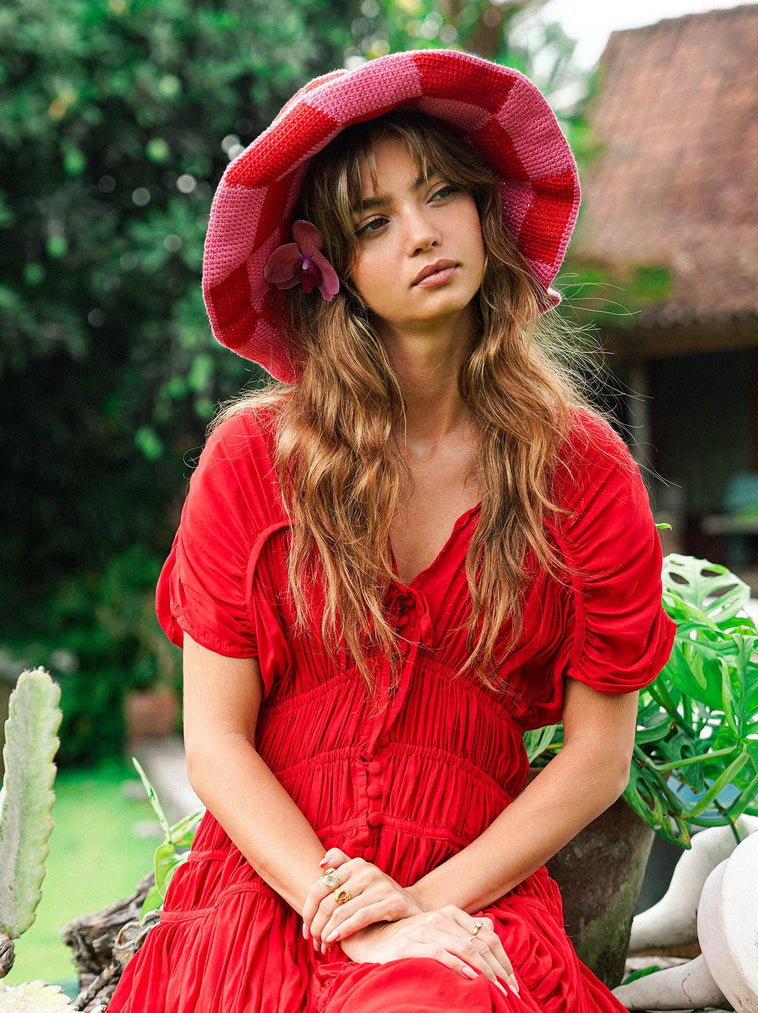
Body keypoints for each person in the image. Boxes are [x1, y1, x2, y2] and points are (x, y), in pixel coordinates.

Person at [108, 49, 675, 1013]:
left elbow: (597, 757)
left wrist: (420, 906)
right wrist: (355, 913)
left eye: (442, 194)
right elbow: (214, 741)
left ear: (485, 213)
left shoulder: (583, 470)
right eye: (374, 221)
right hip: (273, 894)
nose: (421, 234)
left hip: (470, 898)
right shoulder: (254, 458)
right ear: (327, 268)